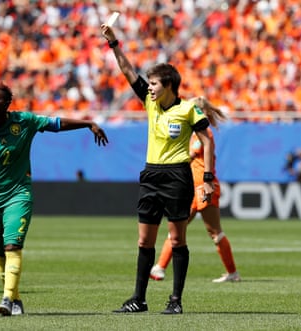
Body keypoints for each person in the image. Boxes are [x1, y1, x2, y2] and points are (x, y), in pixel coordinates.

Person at [0, 81, 108, 316]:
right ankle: (15, 298)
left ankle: (7, 299)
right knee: (0, 252)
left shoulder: (24, 121)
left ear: (7, 103)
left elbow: (56, 124)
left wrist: (88, 123)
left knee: (12, 245)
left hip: (19, 194)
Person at [101, 25, 214, 315]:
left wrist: (209, 177)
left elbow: (207, 139)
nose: (149, 88)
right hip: (151, 175)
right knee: (144, 240)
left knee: (177, 239)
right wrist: (114, 43)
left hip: (177, 176)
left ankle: (175, 300)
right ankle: (139, 299)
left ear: (169, 86)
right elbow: (127, 71)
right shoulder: (150, 105)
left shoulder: (187, 109)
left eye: (154, 84)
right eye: (148, 84)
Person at [150, 97, 241, 283]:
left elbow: (189, 154)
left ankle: (232, 273)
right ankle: (159, 267)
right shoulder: (196, 133)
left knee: (214, 231)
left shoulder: (201, 133)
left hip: (203, 186)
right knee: (178, 226)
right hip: (192, 187)